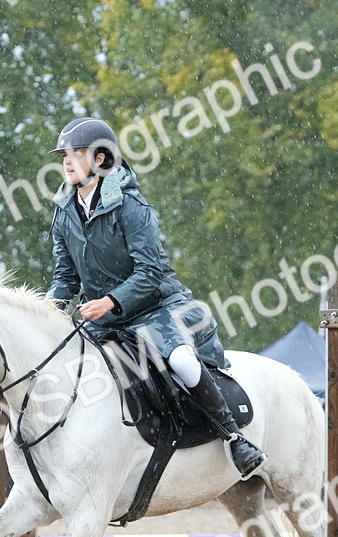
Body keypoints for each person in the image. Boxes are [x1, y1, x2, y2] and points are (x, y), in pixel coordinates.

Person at [46, 117, 265, 478]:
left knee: (180, 359)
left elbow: (149, 273)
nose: (67, 161)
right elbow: (66, 276)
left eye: (76, 153)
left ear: (101, 160)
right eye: (64, 155)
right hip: (105, 317)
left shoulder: (131, 206)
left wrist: (111, 302)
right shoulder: (64, 211)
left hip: (156, 307)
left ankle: (234, 438)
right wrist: (48, 308)